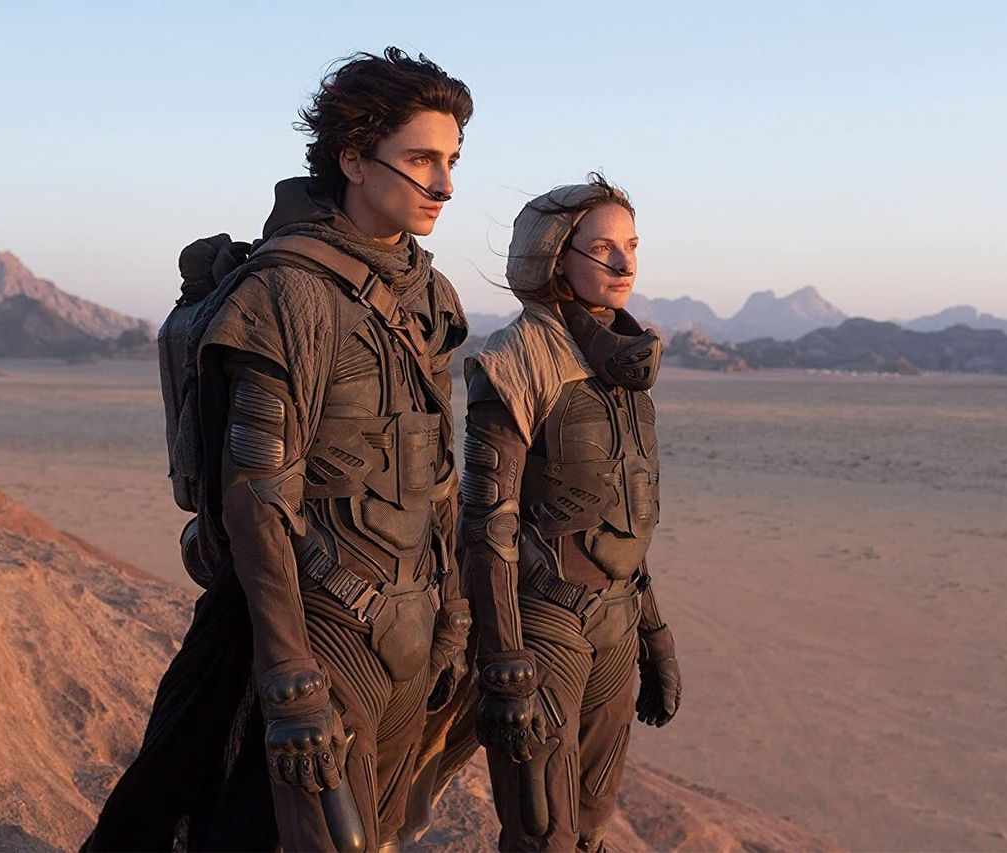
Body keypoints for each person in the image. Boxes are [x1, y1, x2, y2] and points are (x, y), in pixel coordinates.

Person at [83, 48, 473, 852]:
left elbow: (438, 472)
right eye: (421, 160)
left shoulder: (430, 295)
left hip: (414, 631)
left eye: (453, 161)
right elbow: (257, 500)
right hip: (324, 627)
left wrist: (454, 615)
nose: (444, 184)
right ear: (354, 159)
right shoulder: (287, 292)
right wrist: (290, 678)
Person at [410, 174, 682, 852]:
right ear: (558, 257)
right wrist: (504, 661)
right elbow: (487, 524)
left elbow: (623, 518)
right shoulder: (516, 360)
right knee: (543, 835)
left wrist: (655, 635)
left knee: (590, 831)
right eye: (603, 248)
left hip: (617, 625)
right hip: (544, 628)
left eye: (632, 246)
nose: (624, 263)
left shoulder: (625, 370)